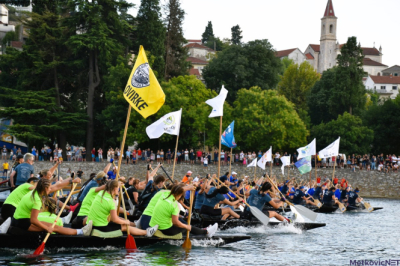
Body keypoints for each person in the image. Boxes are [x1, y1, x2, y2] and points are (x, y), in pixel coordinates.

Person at [8, 178, 92, 235]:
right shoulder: (36, 200)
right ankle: (81, 232)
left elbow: (56, 186)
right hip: (22, 223)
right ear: (44, 189)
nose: (50, 190)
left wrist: (72, 180)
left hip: (17, 219)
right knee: (54, 227)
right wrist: (46, 228)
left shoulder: (35, 191)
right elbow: (33, 220)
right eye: (49, 189)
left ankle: (79, 231)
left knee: (52, 226)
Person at [85, 180, 158, 236]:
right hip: (100, 227)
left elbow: (108, 185)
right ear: (114, 189)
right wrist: (126, 222)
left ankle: (136, 225)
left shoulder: (101, 193)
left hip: (92, 224)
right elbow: (115, 219)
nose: (119, 190)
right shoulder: (111, 202)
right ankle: (147, 232)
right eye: (118, 189)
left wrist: (118, 184)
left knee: (122, 220)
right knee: (125, 226)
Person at [149, 184, 217, 237]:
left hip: (153, 224)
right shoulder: (174, 205)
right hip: (165, 229)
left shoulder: (164, 194)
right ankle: (207, 232)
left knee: (183, 223)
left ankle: (200, 230)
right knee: (185, 226)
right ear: (179, 195)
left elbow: (178, 190)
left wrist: (189, 187)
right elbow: (175, 222)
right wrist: (186, 226)